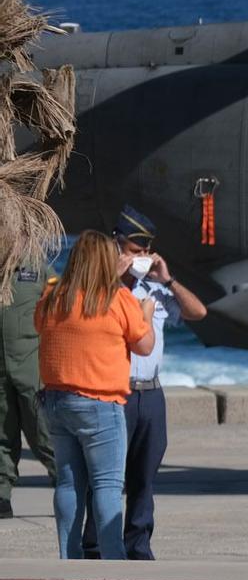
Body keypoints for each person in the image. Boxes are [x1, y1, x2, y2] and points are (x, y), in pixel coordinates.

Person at [35, 231, 153, 559]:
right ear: (107, 261)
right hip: (100, 403)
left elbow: (38, 325)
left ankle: (68, 557)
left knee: (68, 483)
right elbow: (144, 345)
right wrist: (146, 313)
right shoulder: (116, 298)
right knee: (106, 485)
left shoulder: (52, 295)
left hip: (57, 400)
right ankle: (113, 557)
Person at [112, 206, 208, 560]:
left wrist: (167, 279)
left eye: (144, 252)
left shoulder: (155, 288)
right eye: (133, 252)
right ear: (117, 245)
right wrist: (115, 276)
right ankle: (96, 546)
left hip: (150, 391)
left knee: (144, 476)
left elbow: (198, 312)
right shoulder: (101, 287)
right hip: (115, 391)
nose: (140, 259)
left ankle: (138, 545)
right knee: (107, 479)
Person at [0, 252, 57, 522]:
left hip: (31, 368)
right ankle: (2, 495)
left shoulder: (38, 269)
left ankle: (66, 482)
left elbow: (60, 308)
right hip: (1, 372)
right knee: (2, 434)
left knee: (42, 431)